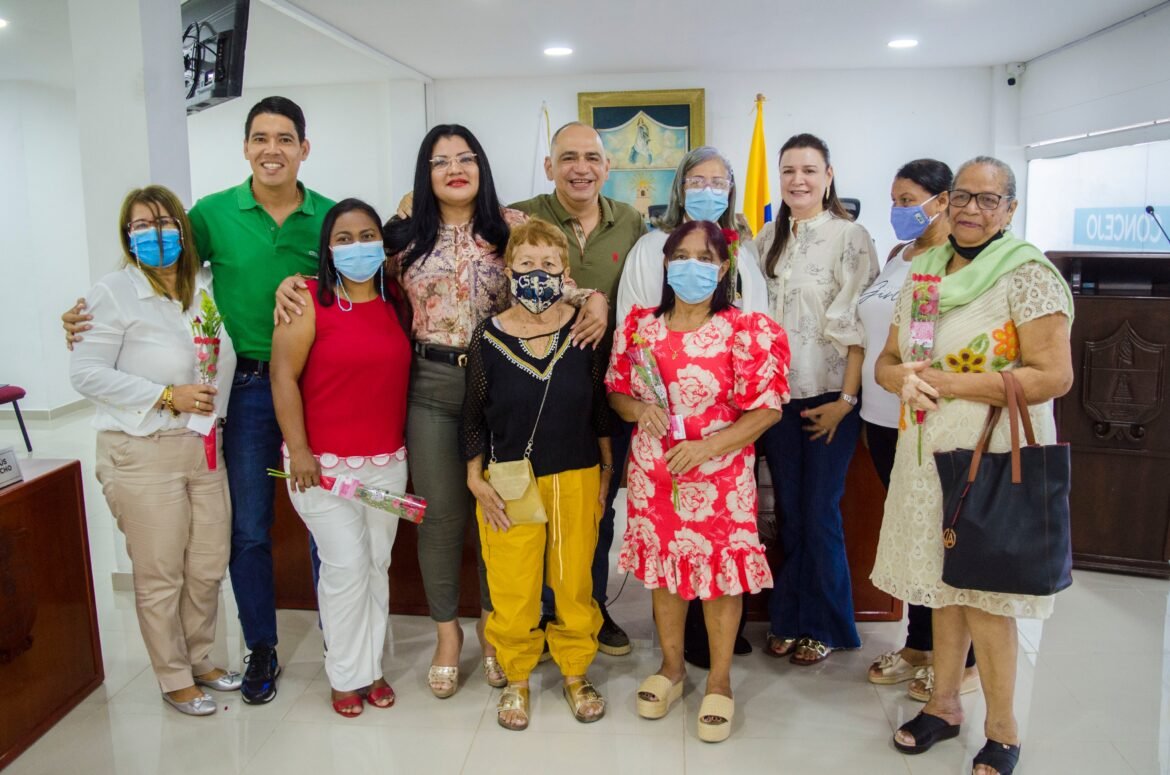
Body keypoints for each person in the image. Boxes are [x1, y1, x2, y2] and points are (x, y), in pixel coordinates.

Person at [63, 96, 334, 704]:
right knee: (247, 530)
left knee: (322, 520)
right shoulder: (210, 213)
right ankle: (260, 647)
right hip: (243, 396)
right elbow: (153, 260)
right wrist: (82, 317)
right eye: (260, 138)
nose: (271, 149)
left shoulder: (327, 215)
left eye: (284, 138)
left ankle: (337, 642)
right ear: (245, 148)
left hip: (311, 385)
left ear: (303, 148)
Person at [872, 156, 1074, 775]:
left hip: (993, 454)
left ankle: (1003, 730)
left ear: (1010, 209)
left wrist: (951, 383)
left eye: (989, 200)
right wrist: (901, 379)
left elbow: (1053, 376)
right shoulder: (924, 272)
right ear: (946, 201)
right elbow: (888, 361)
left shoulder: (1027, 273)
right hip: (925, 451)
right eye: (962, 196)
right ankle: (943, 706)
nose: (972, 209)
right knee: (942, 586)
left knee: (986, 595)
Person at [607, 220, 790, 743]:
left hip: (719, 475)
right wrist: (638, 409)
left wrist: (709, 448)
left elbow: (767, 409)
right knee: (665, 572)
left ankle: (720, 681)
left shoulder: (744, 330)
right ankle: (671, 669)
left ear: (723, 268)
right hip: (656, 473)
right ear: (666, 264)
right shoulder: (640, 328)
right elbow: (617, 392)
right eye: (682, 256)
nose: (693, 267)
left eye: (705, 258)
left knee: (720, 577)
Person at [70, 185, 240, 716]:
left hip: (205, 444)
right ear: (128, 236)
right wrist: (165, 396)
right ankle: (173, 676)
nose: (156, 234)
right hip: (143, 450)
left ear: (184, 231)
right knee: (161, 571)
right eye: (142, 226)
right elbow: (85, 373)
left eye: (166, 223)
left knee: (207, 563)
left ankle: (201, 658)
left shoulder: (204, 286)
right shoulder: (113, 292)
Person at [461, 219, 612, 731]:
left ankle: (575, 672)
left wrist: (607, 470)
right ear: (508, 270)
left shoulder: (586, 331)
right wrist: (475, 477)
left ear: (566, 272)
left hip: (577, 473)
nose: (537, 274)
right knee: (514, 583)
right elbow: (473, 415)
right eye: (526, 263)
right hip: (509, 480)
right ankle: (518, 676)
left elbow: (600, 410)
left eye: (549, 264)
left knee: (573, 581)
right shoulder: (488, 336)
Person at [270, 199, 410, 718]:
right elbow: (282, 377)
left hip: (387, 465)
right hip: (321, 469)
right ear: (327, 248)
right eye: (344, 239)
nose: (357, 247)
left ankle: (370, 667)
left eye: (367, 236)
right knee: (344, 565)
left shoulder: (396, 299)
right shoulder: (307, 299)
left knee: (376, 564)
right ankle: (346, 676)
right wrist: (300, 451)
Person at [512, 121, 647, 656]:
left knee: (598, 506)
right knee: (540, 502)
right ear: (549, 167)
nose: (580, 168)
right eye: (568, 157)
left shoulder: (631, 221)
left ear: (607, 167)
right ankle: (542, 612)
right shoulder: (520, 216)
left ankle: (589, 605)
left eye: (592, 157)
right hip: (539, 385)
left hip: (608, 387)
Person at [755, 133, 879, 666]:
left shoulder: (850, 237)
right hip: (778, 399)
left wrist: (846, 400)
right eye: (788, 171)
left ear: (828, 175)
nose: (798, 180)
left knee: (820, 511)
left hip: (832, 394)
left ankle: (827, 624)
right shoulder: (767, 238)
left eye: (809, 170)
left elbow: (860, 327)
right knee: (789, 511)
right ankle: (787, 617)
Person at [860, 159, 980, 702]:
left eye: (908, 200)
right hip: (883, 419)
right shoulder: (898, 256)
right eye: (894, 199)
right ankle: (918, 644)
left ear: (943, 200)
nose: (899, 210)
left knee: (944, 539)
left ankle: (962, 661)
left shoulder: (958, 261)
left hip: (933, 420)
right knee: (914, 536)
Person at [617, 145, 769, 325]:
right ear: (681, 190)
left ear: (729, 192)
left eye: (718, 183)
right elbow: (630, 316)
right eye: (696, 182)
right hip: (662, 341)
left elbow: (758, 311)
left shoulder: (743, 249)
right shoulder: (649, 248)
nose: (707, 191)